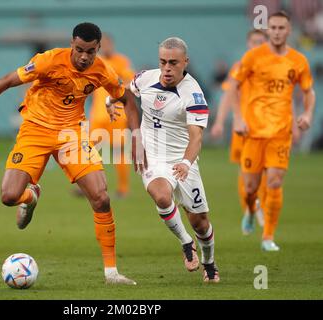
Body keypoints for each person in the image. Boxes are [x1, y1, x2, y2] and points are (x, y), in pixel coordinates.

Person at [0, 22, 144, 285]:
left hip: (70, 136)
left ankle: (111, 273)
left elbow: (127, 99)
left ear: (98, 49)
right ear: (71, 44)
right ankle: (31, 196)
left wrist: (136, 136)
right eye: (79, 50)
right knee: (9, 196)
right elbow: (8, 80)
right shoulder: (49, 60)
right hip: (35, 130)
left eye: (91, 51)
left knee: (101, 198)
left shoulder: (103, 71)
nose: (84, 56)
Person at [108, 37, 219, 282]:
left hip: (183, 160)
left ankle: (209, 262)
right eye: (163, 62)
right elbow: (126, 91)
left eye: (173, 63)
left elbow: (196, 138)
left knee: (200, 222)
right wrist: (110, 100)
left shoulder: (193, 95)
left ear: (185, 63)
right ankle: (185, 242)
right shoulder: (145, 78)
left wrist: (186, 163)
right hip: (152, 157)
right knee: (160, 195)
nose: (167, 68)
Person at [229, 11, 316, 251]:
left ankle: (268, 236)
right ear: (268, 30)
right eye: (273, 28)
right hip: (254, 132)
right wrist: (238, 117)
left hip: (280, 132)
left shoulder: (298, 61)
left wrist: (307, 114)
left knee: (275, 182)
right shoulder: (254, 57)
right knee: (249, 188)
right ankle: (249, 209)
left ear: (289, 31)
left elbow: (309, 91)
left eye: (281, 28)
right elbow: (234, 86)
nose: (277, 32)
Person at [210, 30, 268, 234]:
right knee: (245, 171)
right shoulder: (240, 67)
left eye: (261, 42)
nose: (257, 45)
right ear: (248, 43)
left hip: (269, 128)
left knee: (268, 172)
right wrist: (220, 121)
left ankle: (260, 205)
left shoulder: (274, 67)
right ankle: (251, 210)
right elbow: (229, 94)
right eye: (254, 41)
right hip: (244, 128)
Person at [88, 33, 135, 198]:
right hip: (98, 115)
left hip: (117, 114)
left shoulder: (122, 61)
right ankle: (87, 186)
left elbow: (131, 83)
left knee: (119, 152)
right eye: (104, 44)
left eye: (109, 43)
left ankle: (123, 189)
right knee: (87, 150)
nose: (106, 47)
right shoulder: (94, 62)